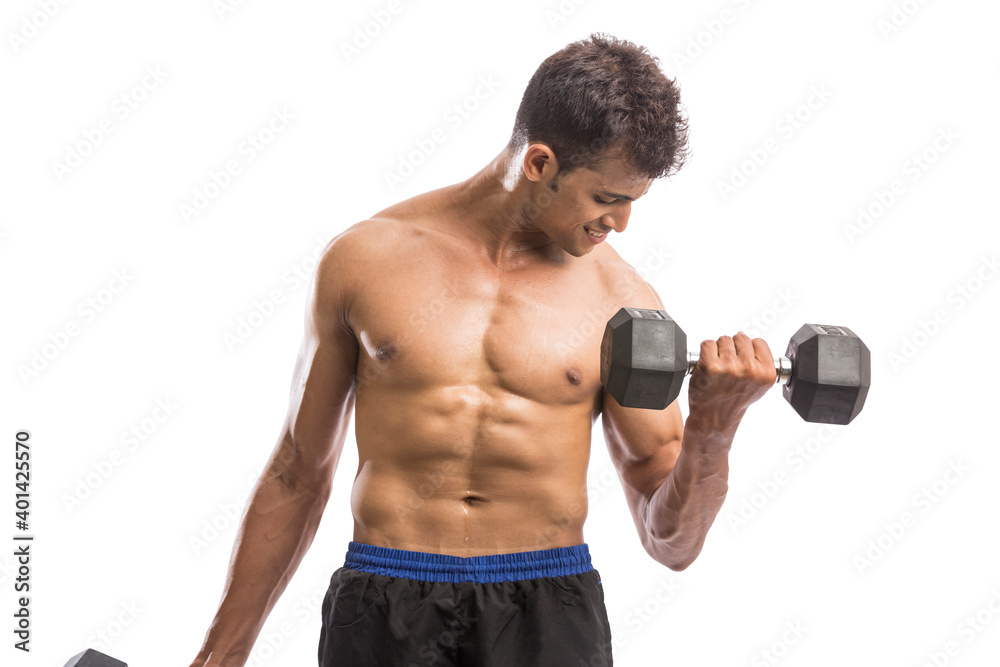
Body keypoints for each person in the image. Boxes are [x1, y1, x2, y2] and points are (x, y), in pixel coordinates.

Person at [189, 33, 778, 667]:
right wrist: (218, 658)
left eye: (632, 203)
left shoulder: (623, 305)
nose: (621, 224)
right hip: (384, 598)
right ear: (540, 163)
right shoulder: (366, 260)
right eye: (607, 199)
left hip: (548, 609)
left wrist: (714, 426)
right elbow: (298, 472)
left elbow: (673, 544)